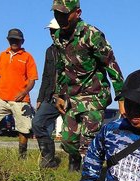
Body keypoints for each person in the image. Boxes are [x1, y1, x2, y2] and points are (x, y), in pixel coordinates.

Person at [52, 0, 125, 171]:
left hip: (95, 94)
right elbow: (62, 67)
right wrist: (59, 95)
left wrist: (121, 97)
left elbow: (111, 64)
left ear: (77, 13)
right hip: (73, 96)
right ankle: (93, 160)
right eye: (56, 13)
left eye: (64, 14)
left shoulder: (92, 34)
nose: (59, 17)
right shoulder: (58, 37)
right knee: (68, 141)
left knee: (88, 141)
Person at [0, 28, 38, 158]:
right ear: (8, 40)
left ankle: (22, 156)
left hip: (20, 99)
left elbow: (32, 79)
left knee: (24, 129)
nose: (14, 42)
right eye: (12, 39)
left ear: (22, 41)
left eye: (17, 40)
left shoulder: (28, 57)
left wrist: (24, 92)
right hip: (0, 97)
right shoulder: (2, 55)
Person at [32, 18, 61, 168]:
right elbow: (45, 75)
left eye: (54, 30)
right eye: (50, 30)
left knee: (72, 137)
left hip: (71, 98)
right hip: (51, 96)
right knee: (37, 123)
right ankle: (48, 160)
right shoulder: (49, 51)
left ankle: (75, 166)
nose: (52, 33)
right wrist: (40, 97)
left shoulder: (73, 47)